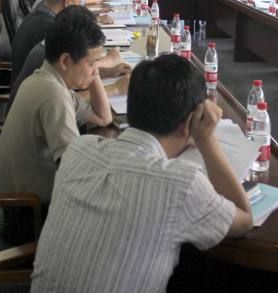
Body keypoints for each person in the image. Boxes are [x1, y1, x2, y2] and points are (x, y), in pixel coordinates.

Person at [30, 54, 252, 292]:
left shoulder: (78, 149)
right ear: (190, 122)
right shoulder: (182, 184)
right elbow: (244, 220)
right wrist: (206, 140)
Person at [0, 7, 127, 242]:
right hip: (29, 214)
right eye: (92, 63)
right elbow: (74, 170)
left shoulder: (49, 80)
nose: (96, 69)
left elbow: (103, 118)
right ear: (65, 60)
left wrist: (93, 72)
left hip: (23, 201)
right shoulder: (53, 95)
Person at [12, 0, 83, 80]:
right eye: (79, 3)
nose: (79, 9)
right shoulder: (49, 27)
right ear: (67, 2)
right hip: (32, 87)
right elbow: (72, 69)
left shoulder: (41, 12)